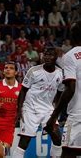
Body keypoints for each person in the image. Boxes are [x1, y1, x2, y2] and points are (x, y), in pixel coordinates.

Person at [12, 48, 63, 158]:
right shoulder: (34, 71)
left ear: (56, 57)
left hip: (48, 109)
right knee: (24, 141)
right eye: (45, 55)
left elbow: (59, 93)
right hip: (31, 108)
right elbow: (23, 91)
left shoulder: (60, 73)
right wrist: (19, 110)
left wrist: (56, 111)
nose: (47, 57)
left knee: (57, 137)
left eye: (50, 55)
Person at [45, 23, 81, 157]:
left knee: (67, 153)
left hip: (78, 116)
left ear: (72, 36)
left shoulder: (71, 56)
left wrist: (54, 116)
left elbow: (70, 88)